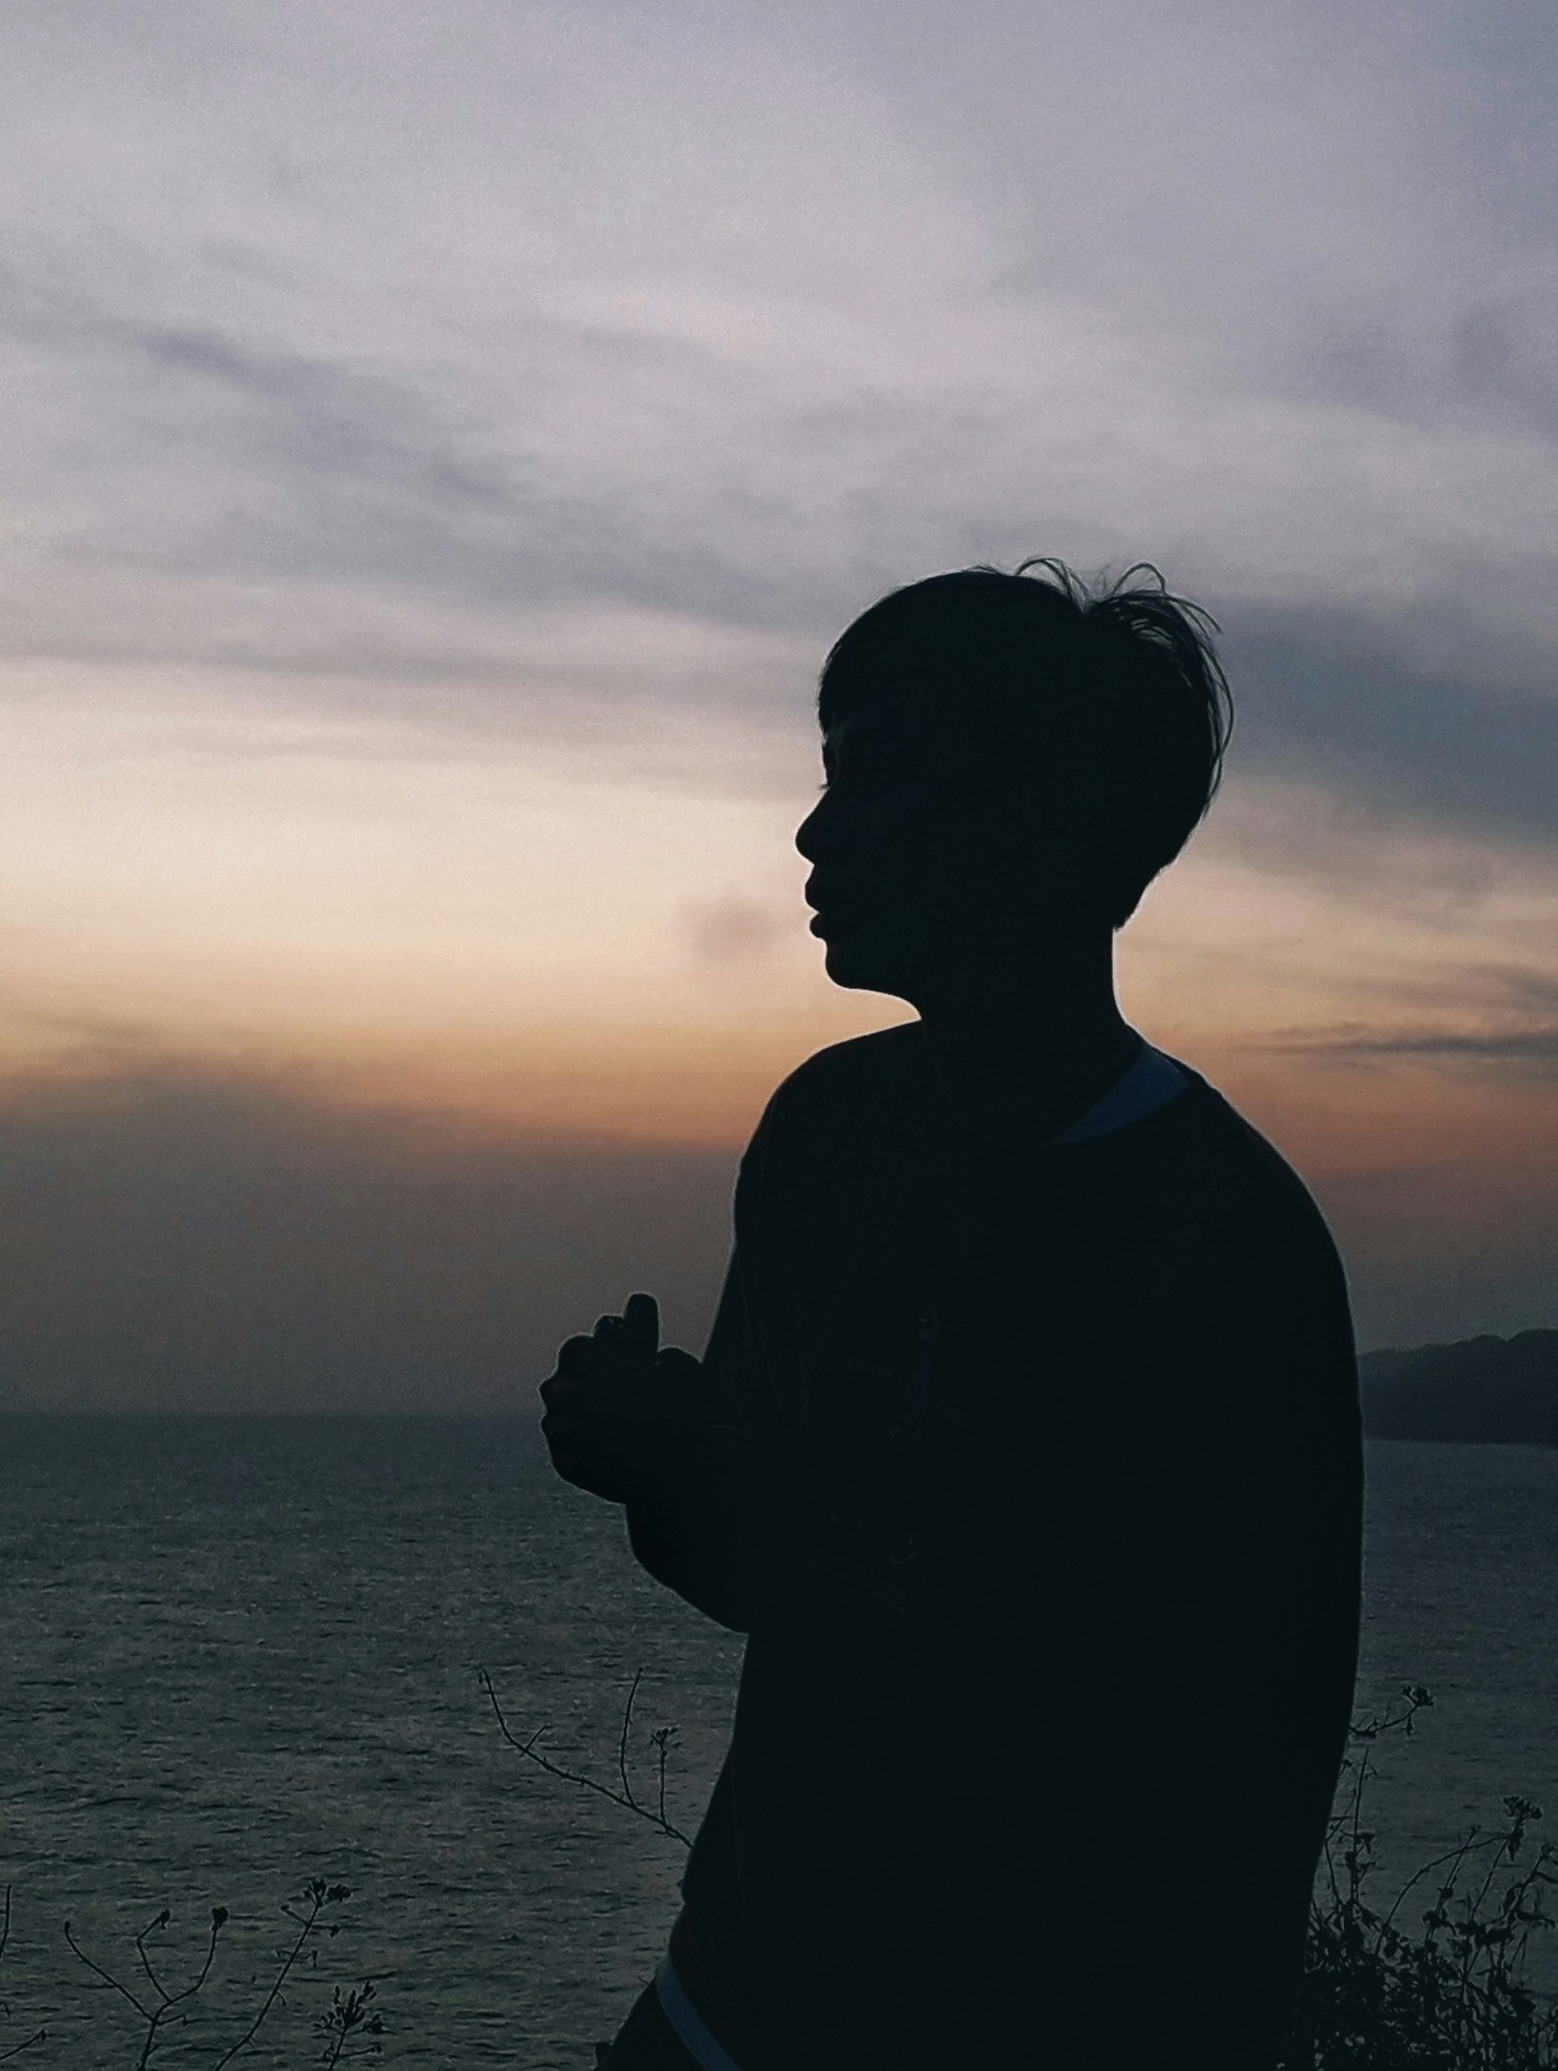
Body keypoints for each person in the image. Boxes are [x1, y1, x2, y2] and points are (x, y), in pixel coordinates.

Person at [542, 562, 1362, 2070]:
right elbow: (768, 1572)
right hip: (726, 2006)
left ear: (1050, 818)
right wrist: (658, 1463)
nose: (813, 831)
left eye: (874, 777)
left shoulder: (1226, 1242)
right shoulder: (823, 1136)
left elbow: (1257, 1747)